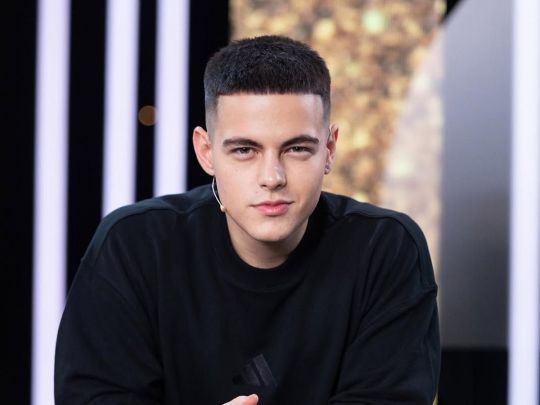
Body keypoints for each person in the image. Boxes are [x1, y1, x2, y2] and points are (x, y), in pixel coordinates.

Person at [55, 35, 440, 405]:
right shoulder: (134, 247)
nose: (272, 177)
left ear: (329, 149)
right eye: (244, 150)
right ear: (206, 152)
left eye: (296, 148)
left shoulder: (384, 249)